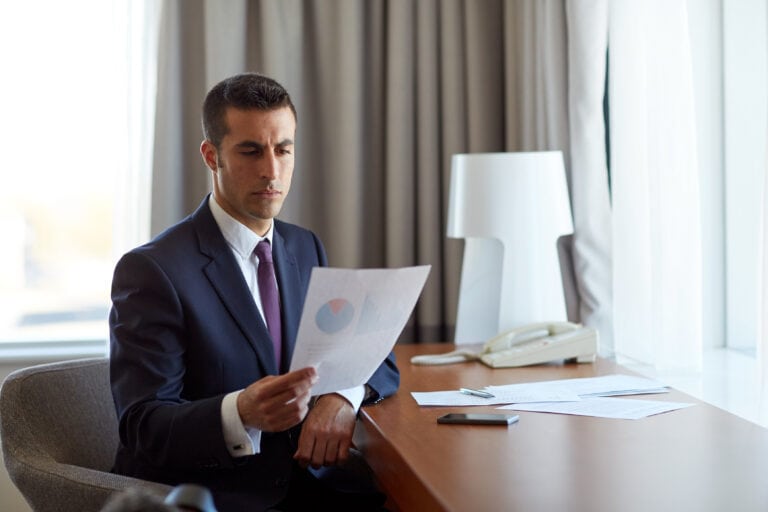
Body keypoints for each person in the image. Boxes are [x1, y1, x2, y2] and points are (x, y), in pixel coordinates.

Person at [109, 72, 399, 512]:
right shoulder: (152, 270)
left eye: (283, 149)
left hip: (314, 486)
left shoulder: (304, 246)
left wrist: (343, 396)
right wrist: (240, 412)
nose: (272, 170)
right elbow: (143, 426)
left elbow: (376, 353)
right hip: (219, 497)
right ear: (212, 156)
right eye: (250, 151)